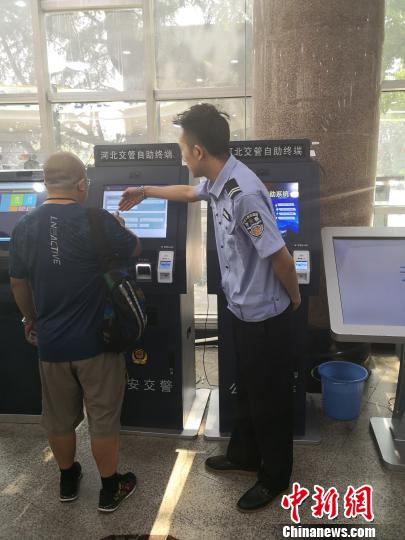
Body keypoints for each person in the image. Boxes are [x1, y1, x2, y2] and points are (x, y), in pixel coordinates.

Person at [119, 104, 301, 513]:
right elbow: (188, 193)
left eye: (184, 148)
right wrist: (145, 191)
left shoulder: (244, 193)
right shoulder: (220, 182)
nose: (183, 156)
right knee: (248, 388)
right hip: (241, 309)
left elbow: (282, 259)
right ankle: (245, 455)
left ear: (199, 151)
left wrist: (294, 298)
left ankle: (275, 476)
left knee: (270, 399)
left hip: (265, 317)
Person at [9, 152, 141, 513]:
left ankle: (67, 479)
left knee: (58, 418)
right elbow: (134, 248)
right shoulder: (97, 220)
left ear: (47, 183)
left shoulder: (24, 227)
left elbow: (18, 282)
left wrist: (31, 319)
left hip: (51, 343)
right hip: (98, 342)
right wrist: (121, 224)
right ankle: (110, 488)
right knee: (103, 418)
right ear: (82, 184)